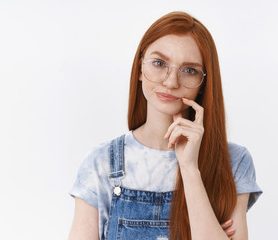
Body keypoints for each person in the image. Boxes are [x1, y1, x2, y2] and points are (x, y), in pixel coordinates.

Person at [68, 11, 262, 240]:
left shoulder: (233, 161)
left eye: (189, 70)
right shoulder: (101, 162)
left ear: (203, 83)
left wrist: (190, 169)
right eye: (159, 63)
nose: (171, 82)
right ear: (140, 69)